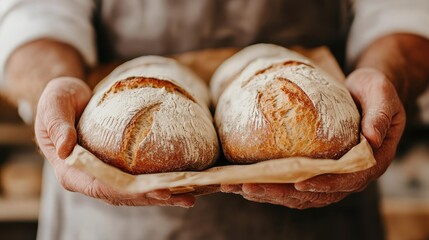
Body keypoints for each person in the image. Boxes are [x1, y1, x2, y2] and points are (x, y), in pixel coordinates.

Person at [1, 0, 429, 239]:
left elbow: (401, 13)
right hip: (109, 223)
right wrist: (53, 85)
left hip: (322, 223)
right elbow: (34, 15)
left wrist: (385, 76)